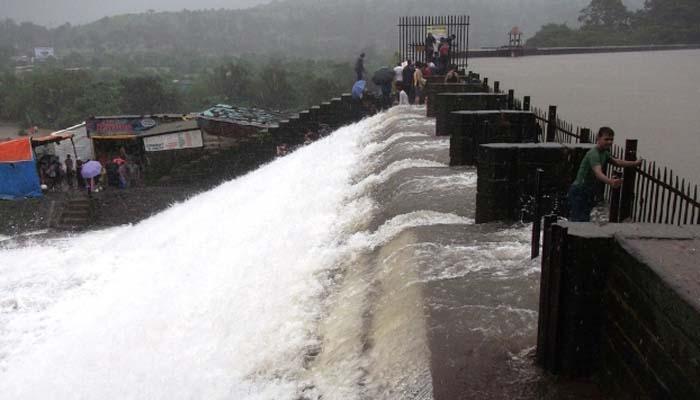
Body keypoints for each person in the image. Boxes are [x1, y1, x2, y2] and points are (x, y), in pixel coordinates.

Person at [567, 127, 642, 222]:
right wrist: (610, 182)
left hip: (588, 189)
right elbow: (598, 173)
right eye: (606, 139)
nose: (609, 142)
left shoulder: (604, 153)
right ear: (598, 138)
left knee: (584, 218)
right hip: (580, 190)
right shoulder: (594, 154)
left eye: (611, 139)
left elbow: (617, 162)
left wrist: (634, 163)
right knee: (579, 220)